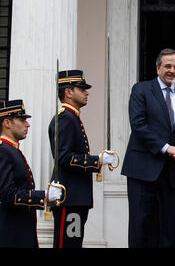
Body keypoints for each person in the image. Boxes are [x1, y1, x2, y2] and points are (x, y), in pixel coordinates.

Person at [121, 48, 175, 248]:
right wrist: (165, 148)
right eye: (168, 66)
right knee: (140, 227)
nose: (172, 70)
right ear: (158, 67)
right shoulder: (141, 89)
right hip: (142, 170)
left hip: (172, 173)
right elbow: (138, 126)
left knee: (169, 229)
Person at [48, 70, 116, 248]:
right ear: (68, 92)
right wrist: (97, 160)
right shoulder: (65, 119)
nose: (87, 92)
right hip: (69, 198)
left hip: (75, 199)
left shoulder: (72, 118)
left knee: (73, 243)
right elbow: (63, 157)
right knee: (67, 245)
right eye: (82, 88)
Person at [0, 100, 62, 248]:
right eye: (22, 120)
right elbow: (6, 194)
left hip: (20, 232)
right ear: (7, 123)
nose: (27, 124)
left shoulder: (12, 150)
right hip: (11, 235)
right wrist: (43, 196)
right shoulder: (3, 151)